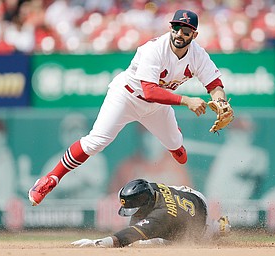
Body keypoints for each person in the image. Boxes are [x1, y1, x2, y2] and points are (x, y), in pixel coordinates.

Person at [28, 9, 232, 206]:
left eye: (185, 30)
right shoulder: (154, 49)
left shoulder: (198, 55)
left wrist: (221, 101)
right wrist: (186, 100)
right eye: (176, 27)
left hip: (157, 106)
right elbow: (149, 91)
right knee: (95, 142)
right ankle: (50, 179)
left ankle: (173, 137)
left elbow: (214, 84)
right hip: (127, 97)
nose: (179, 33)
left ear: (194, 34)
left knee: (179, 152)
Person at [71, 179, 230, 247]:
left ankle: (216, 228)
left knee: (146, 242)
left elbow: (126, 237)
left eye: (136, 210)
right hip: (193, 195)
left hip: (198, 222)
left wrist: (98, 242)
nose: (133, 214)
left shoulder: (160, 216)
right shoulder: (150, 188)